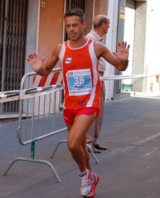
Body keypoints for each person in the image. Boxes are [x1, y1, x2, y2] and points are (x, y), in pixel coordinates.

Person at [27, 8, 129, 198]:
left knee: (73, 144)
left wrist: (124, 60)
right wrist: (38, 68)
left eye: (75, 25)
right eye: (68, 26)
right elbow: (45, 71)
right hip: (69, 106)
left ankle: (84, 176)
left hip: (90, 103)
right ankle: (91, 177)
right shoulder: (60, 49)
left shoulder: (96, 47)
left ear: (83, 24)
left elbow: (119, 66)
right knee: (80, 147)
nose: (71, 29)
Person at [86, 15, 110, 153]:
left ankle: (94, 140)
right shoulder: (90, 39)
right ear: (103, 25)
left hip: (100, 78)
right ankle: (88, 141)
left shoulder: (99, 40)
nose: (109, 26)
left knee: (99, 111)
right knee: (92, 111)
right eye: (108, 23)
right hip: (93, 79)